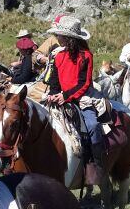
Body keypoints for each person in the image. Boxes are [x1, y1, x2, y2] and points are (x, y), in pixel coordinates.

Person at [43, 15, 106, 185]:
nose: (57, 38)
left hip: (82, 97)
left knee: (92, 126)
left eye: (60, 35)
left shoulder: (86, 55)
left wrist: (65, 96)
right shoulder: (57, 55)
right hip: (61, 96)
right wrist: (54, 94)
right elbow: (54, 80)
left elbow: (84, 83)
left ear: (69, 38)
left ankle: (96, 165)